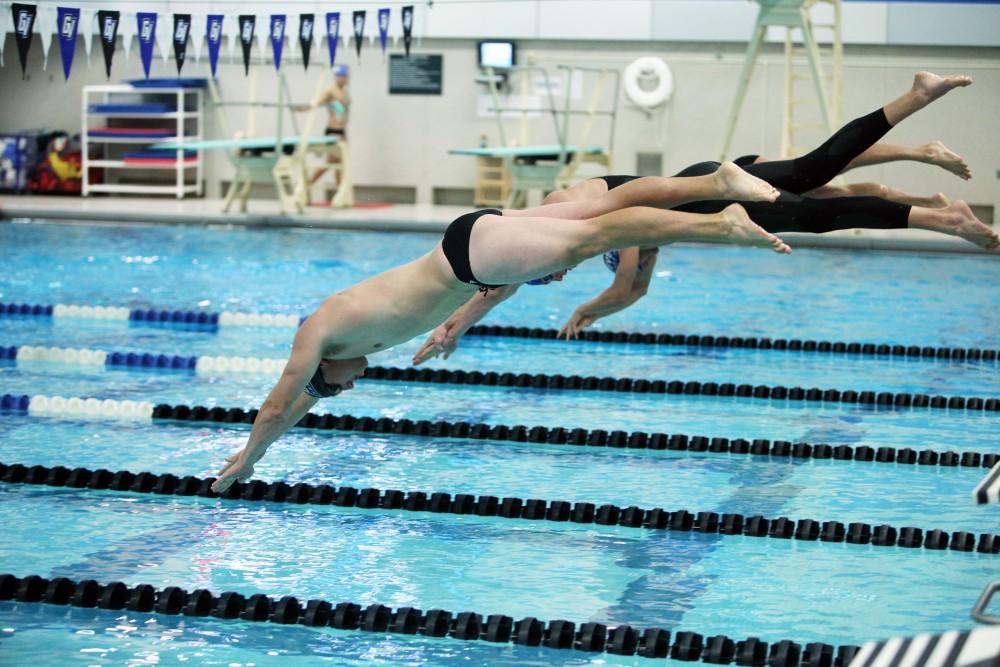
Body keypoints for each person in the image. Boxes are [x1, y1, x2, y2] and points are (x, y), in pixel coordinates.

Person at [211, 161, 790, 492]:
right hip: (470, 247)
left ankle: (722, 223)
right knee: (599, 210)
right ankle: (718, 183)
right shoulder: (346, 345)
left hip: (470, 258)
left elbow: (283, 402)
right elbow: (304, 403)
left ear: (323, 371)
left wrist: (251, 455)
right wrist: (456, 326)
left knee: (600, 232)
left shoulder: (318, 333)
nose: (350, 386)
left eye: (338, 386)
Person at [412, 71, 998, 358]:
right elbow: (502, 287)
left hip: (704, 185)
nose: (559, 273)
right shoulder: (571, 235)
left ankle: (916, 110)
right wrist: (452, 327)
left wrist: (586, 306)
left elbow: (616, 284)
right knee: (818, 201)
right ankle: (942, 218)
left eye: (550, 271)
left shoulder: (573, 215)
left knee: (811, 177)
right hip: (703, 196)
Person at [295, 65, 350, 191]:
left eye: (345, 76)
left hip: (342, 131)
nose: (343, 79)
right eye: (340, 76)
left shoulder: (344, 92)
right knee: (331, 163)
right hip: (333, 131)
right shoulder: (331, 91)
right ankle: (307, 185)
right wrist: (302, 109)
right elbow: (315, 103)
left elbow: (343, 111)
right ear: (336, 77)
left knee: (339, 163)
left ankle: (340, 192)